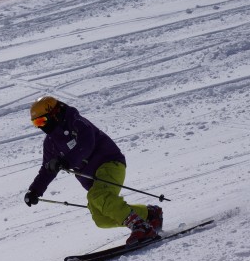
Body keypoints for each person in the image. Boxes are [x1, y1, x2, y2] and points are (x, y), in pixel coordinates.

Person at [24, 96, 163, 245]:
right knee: (101, 218)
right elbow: (47, 169)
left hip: (109, 164)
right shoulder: (51, 143)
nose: (40, 127)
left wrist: (65, 161)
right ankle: (149, 215)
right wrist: (35, 191)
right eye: (36, 123)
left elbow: (86, 145)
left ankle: (140, 227)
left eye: (42, 121)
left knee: (98, 196)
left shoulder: (76, 123)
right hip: (92, 180)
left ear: (54, 113)